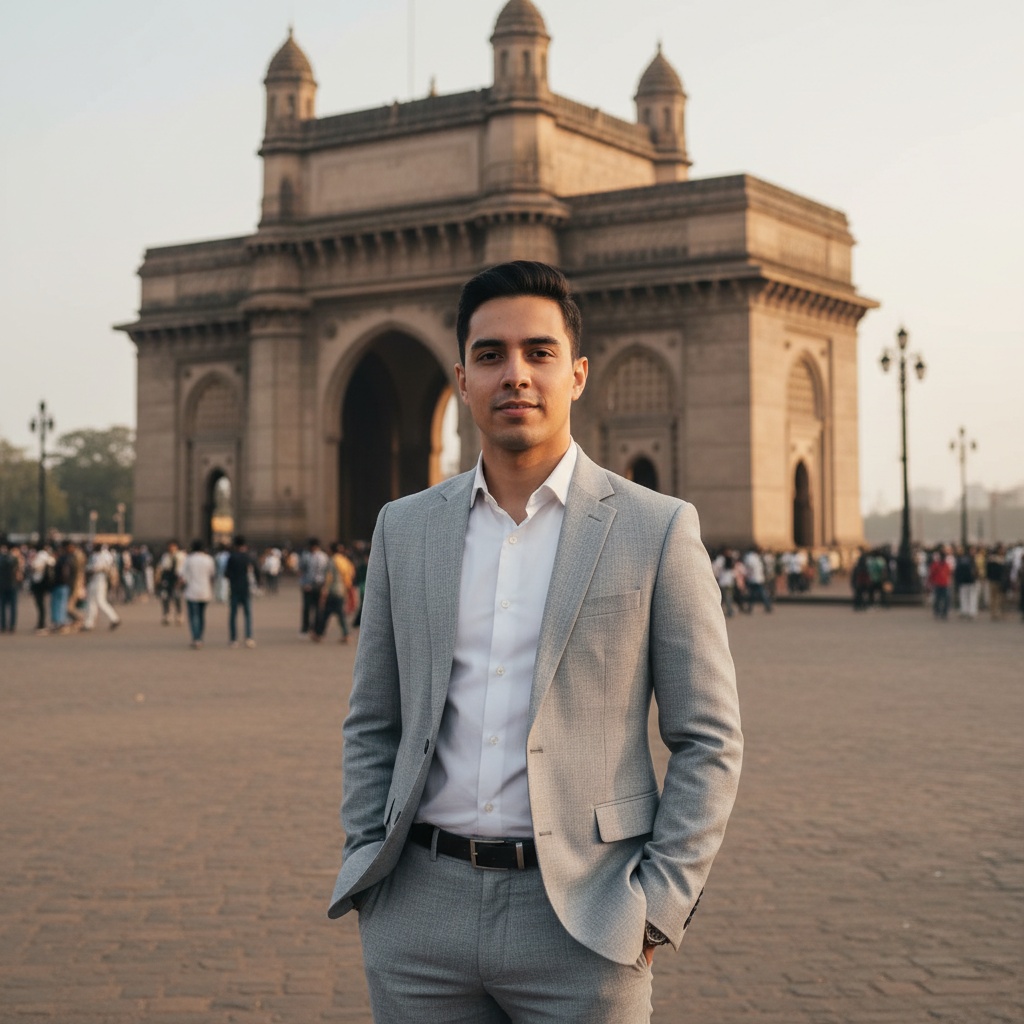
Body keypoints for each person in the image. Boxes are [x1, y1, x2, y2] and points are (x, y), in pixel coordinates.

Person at [328, 261, 743, 1023]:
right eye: (490, 355)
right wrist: (368, 864)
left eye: (539, 353)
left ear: (578, 373)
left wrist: (657, 905)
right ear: (461, 377)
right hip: (419, 911)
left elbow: (709, 737)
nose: (514, 374)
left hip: (585, 919)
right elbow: (373, 719)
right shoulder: (404, 528)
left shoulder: (656, 528)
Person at [314, 542, 356, 643]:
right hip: (342, 590)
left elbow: (329, 577)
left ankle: (320, 634)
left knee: (327, 613)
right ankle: (344, 634)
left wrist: (325, 590)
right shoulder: (344, 560)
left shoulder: (332, 561)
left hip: (333, 590)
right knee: (337, 613)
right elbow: (351, 572)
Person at [225, 534, 258, 648]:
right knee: (248, 614)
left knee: (233, 615)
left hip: (234, 588)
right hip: (246, 588)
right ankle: (248, 637)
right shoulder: (249, 557)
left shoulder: (232, 557)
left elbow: (227, 574)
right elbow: (255, 572)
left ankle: (233, 639)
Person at [181, 539, 216, 648]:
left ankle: (196, 638)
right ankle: (200, 637)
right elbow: (212, 576)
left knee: (193, 616)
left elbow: (183, 577)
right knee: (201, 616)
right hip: (205, 591)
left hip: (191, 592)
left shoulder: (189, 559)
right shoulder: (209, 559)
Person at [83, 544, 122, 632]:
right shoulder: (102, 555)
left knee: (100, 601)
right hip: (96, 580)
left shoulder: (102, 556)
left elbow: (99, 567)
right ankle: (89, 623)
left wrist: (90, 569)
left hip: (99, 580)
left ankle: (114, 618)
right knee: (91, 602)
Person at [298, 538, 329, 638]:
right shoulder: (306, 556)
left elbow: (326, 573)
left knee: (317, 608)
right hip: (309, 584)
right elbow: (302, 570)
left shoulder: (323, 557)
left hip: (318, 584)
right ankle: (306, 628)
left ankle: (314, 628)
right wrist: (303, 584)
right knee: (307, 608)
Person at [157, 540, 185, 625]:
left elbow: (184, 567)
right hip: (167, 577)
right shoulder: (165, 556)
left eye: (173, 546)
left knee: (177, 597)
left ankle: (179, 614)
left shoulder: (181, 555)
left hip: (177, 577)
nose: (171, 548)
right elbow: (162, 567)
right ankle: (166, 615)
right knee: (165, 597)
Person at [0, 536, 22, 633]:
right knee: (13, 606)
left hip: (2, 585)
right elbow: (18, 573)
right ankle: (12, 625)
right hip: (12, 584)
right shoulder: (14, 559)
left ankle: (3, 625)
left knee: (2, 607)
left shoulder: (1, 559)